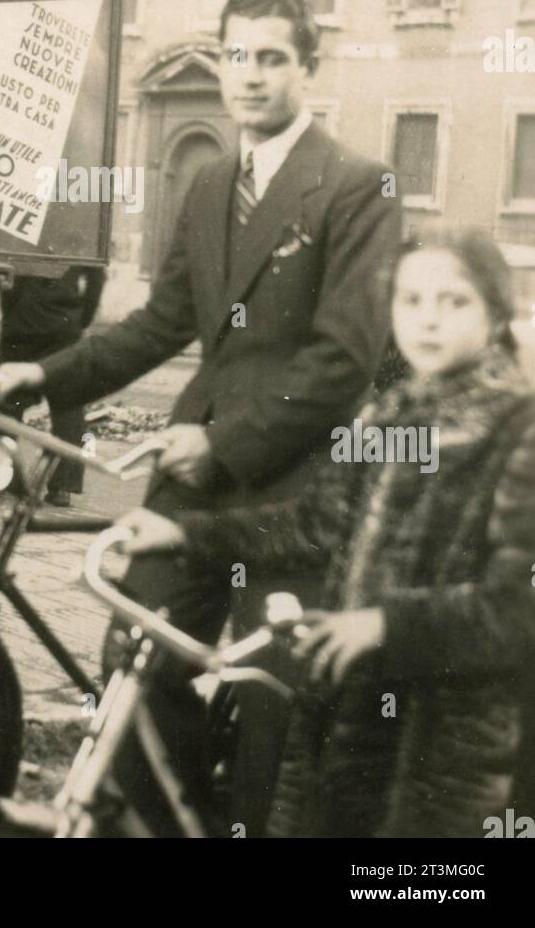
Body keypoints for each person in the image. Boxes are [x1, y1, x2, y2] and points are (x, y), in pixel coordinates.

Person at [0, 0, 402, 834]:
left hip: (290, 487)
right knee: (134, 656)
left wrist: (221, 446)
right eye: (236, 56)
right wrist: (45, 376)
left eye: (272, 58)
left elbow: (343, 360)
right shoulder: (212, 182)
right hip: (192, 478)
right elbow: (161, 321)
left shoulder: (356, 186)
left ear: (306, 69)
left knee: (270, 703)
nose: (249, 77)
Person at [124, 229, 535, 838]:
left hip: (450, 746)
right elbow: (315, 525)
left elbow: (516, 605)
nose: (428, 321)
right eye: (410, 300)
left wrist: (385, 625)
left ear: (497, 312)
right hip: (352, 720)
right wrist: (186, 534)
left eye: (454, 302)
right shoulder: (391, 415)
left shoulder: (518, 428)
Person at [0, 265, 106, 507]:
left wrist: (13, 312)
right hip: (64, 323)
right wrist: (81, 317)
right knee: (68, 405)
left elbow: (9, 271)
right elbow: (96, 277)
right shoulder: (82, 228)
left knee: (7, 398)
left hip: (23, 320)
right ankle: (63, 486)